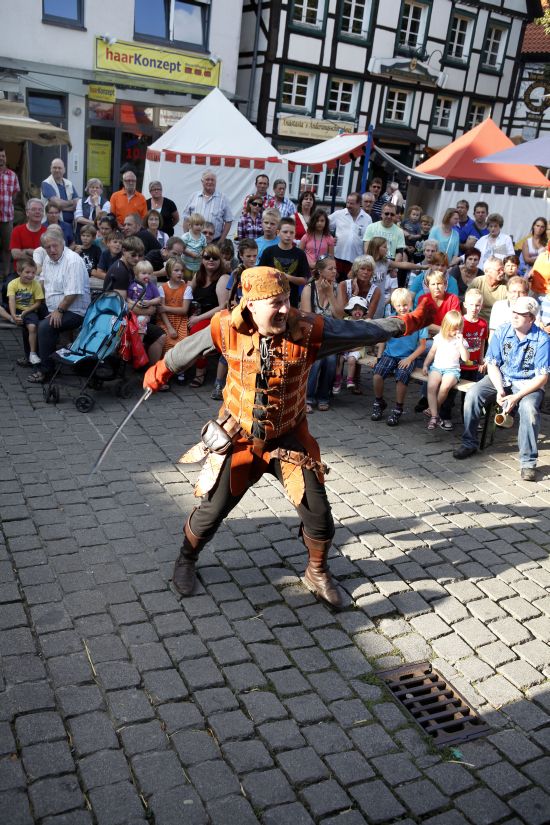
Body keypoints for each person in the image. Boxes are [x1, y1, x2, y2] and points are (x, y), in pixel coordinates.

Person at [142, 266, 435, 604]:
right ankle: (186, 558)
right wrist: (161, 369)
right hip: (238, 436)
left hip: (289, 439)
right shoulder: (225, 327)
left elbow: (364, 330)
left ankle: (317, 569)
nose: (285, 309)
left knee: (319, 517)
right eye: (275, 303)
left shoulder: (310, 330)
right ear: (251, 305)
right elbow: (187, 349)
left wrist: (410, 321)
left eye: (286, 300)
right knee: (212, 510)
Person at [453, 296, 550, 481]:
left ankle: (528, 462)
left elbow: (542, 377)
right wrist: (500, 389)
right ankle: (469, 443)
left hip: (529, 384)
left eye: (520, 314)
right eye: (513, 312)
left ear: (531, 318)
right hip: (501, 377)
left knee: (529, 410)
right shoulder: (502, 331)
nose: (514, 316)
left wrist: (516, 397)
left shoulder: (542, 339)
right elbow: (492, 364)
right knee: (473, 394)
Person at [27, 226, 90, 384]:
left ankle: (46, 370)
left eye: (55, 245)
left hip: (74, 310)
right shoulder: (48, 260)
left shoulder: (72, 261)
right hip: (53, 307)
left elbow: (73, 293)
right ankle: (32, 357)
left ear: (62, 243)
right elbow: (43, 282)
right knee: (29, 314)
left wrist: (59, 310)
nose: (52, 250)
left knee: (45, 327)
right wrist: (34, 300)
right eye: (48, 247)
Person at [104, 236, 166, 366]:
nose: (137, 258)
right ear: (124, 251)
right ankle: (147, 368)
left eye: (140, 255)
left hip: (130, 316)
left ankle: (144, 366)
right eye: (133, 255)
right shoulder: (120, 270)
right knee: (160, 336)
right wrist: (148, 310)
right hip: (116, 319)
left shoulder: (129, 268)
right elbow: (121, 305)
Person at [371, 288, 427, 426]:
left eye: (405, 305)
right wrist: (379, 357)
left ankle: (398, 408)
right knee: (377, 375)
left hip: (407, 357)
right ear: (394, 306)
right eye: (399, 305)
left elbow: (422, 346)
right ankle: (379, 402)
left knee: (401, 377)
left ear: (411, 303)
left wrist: (410, 359)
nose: (402, 308)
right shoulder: (391, 320)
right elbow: (383, 340)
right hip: (389, 354)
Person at [300, 255, 342, 412]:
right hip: (312, 336)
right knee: (316, 360)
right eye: (331, 269)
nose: (334, 271)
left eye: (335, 268)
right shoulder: (309, 289)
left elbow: (340, 316)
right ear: (320, 271)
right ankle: (307, 398)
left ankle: (324, 396)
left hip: (330, 336)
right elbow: (307, 319)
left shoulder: (336, 288)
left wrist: (330, 294)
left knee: (331, 360)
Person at [187, 245, 230, 387]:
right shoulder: (198, 275)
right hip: (197, 315)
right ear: (202, 260)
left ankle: (200, 372)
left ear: (220, 260)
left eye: (215, 258)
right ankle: (179, 369)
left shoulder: (223, 278)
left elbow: (222, 307)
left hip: (215, 318)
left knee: (196, 332)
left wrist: (197, 318)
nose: (210, 260)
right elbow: (187, 292)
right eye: (207, 257)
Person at [423, 310, 470, 431]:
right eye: (454, 329)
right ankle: (435, 416)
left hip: (452, 370)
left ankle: (433, 409)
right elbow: (432, 352)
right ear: (446, 327)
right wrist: (425, 364)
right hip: (437, 367)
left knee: (445, 387)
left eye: (459, 328)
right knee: (431, 386)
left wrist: (461, 344)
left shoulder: (461, 341)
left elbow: (465, 358)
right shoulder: (439, 337)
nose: (456, 332)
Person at [258, 217, 309, 307]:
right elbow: (260, 275)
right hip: (270, 299)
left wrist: (286, 277)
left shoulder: (300, 254)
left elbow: (304, 280)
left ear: (295, 234)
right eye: (285, 232)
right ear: (278, 233)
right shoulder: (268, 252)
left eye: (291, 232)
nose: (288, 235)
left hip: (291, 301)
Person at [7, 255, 46, 366]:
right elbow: (11, 300)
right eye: (27, 272)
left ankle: (32, 354)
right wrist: (13, 315)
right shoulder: (13, 283)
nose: (31, 275)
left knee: (32, 327)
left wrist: (26, 311)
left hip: (30, 310)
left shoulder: (36, 284)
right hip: (17, 309)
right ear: (19, 272)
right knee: (25, 325)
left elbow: (38, 302)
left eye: (33, 273)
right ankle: (29, 354)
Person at [182, 170, 233, 245]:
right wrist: (187, 238)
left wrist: (221, 240)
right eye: (207, 179)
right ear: (202, 181)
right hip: (194, 242)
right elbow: (186, 219)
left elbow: (228, 221)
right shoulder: (194, 196)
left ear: (216, 182)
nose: (210, 182)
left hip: (215, 242)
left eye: (212, 180)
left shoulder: (223, 198)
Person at [329, 192, 371, 279]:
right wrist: (330, 237)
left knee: (351, 285)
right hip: (338, 258)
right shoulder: (338, 214)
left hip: (356, 262)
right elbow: (324, 224)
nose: (348, 205)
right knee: (334, 284)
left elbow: (369, 240)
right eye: (347, 202)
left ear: (359, 204)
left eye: (351, 203)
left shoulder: (367, 219)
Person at [158, 257, 192, 355]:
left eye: (182, 271)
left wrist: (166, 308)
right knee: (167, 344)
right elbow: (161, 312)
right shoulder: (162, 288)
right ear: (169, 272)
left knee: (181, 345)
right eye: (176, 270)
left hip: (181, 320)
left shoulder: (187, 288)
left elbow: (184, 310)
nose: (180, 273)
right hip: (166, 321)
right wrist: (170, 327)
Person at [338, 297, 370, 394]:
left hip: (358, 348)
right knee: (339, 359)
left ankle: (350, 380)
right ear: (350, 310)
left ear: (364, 311)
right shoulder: (346, 321)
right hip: (345, 347)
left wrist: (352, 348)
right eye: (355, 309)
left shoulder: (364, 323)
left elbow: (364, 341)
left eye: (360, 309)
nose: (357, 311)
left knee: (351, 360)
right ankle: (337, 378)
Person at [467, 256, 508, 324]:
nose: (502, 272)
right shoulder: (478, 282)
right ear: (487, 271)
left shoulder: (506, 286)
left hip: (497, 323)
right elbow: (467, 304)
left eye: (503, 269)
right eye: (499, 270)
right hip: (477, 322)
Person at [0, 146, 20, 280]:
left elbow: (15, 194)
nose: (1, 158)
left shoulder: (12, 175)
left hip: (7, 217)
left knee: (7, 247)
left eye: (3, 156)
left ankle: (6, 274)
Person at [9, 199, 46, 269]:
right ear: (27, 213)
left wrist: (27, 252)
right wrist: (38, 254)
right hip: (21, 271)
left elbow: (50, 255)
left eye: (40, 210)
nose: (37, 212)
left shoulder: (47, 232)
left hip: (42, 271)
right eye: (34, 209)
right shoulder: (17, 230)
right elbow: (15, 254)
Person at [40, 158, 78, 226]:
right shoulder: (46, 183)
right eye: (54, 168)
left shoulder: (69, 183)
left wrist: (61, 207)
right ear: (50, 169)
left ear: (64, 170)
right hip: (53, 224)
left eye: (59, 168)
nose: (57, 170)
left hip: (70, 225)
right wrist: (71, 202)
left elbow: (77, 204)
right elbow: (58, 203)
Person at [74, 179, 110, 243]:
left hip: (98, 235)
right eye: (92, 187)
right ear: (88, 189)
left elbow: (101, 219)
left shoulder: (106, 203)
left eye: (97, 187)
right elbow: (78, 218)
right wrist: (95, 223)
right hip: (82, 234)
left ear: (101, 190)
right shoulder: (81, 201)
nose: (94, 189)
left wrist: (96, 203)